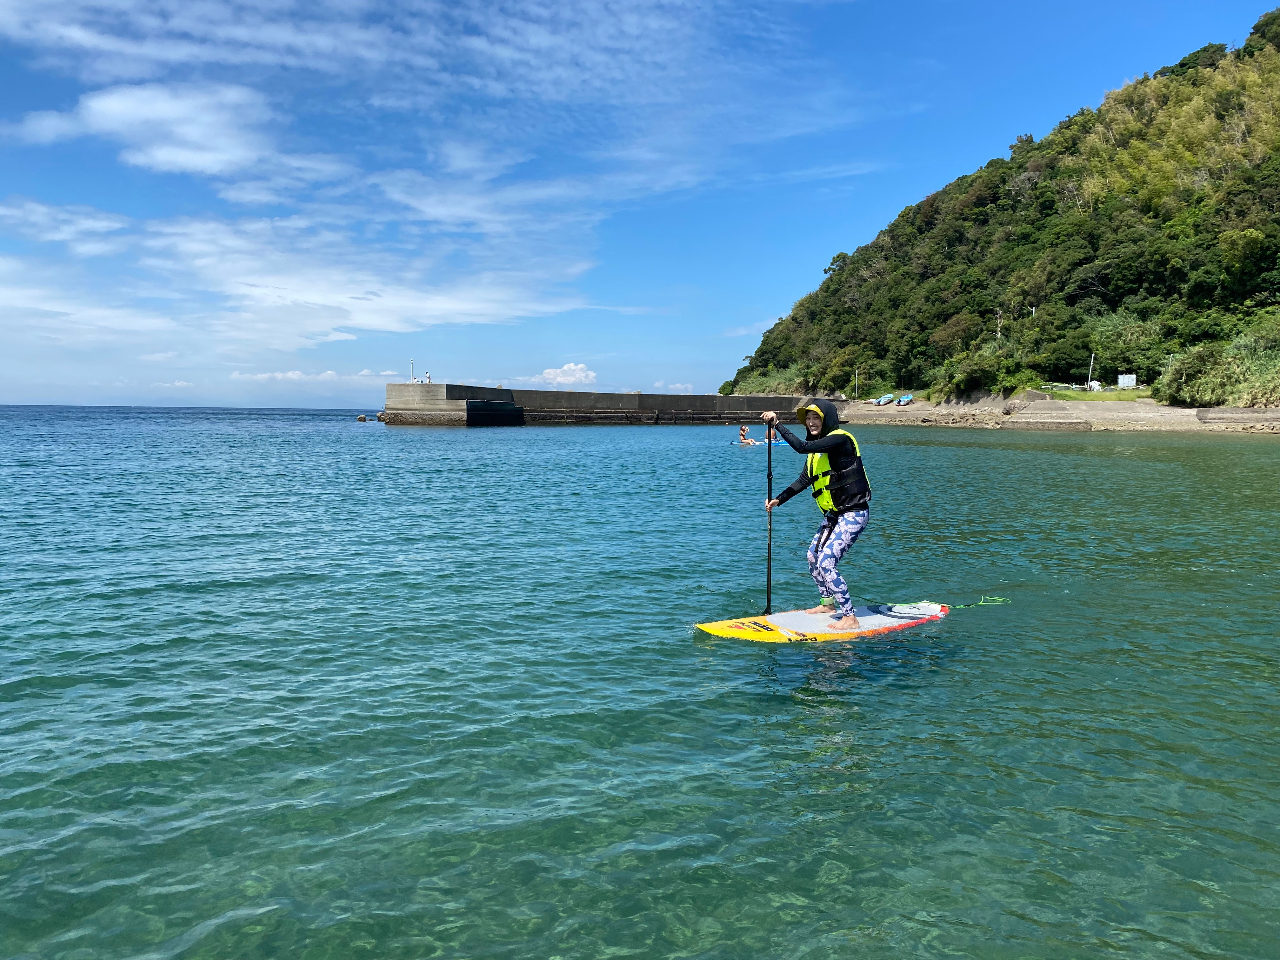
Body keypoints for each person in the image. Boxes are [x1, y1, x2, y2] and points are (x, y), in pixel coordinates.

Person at [761, 399, 872, 631]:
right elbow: (804, 480)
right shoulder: (816, 454)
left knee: (826, 561)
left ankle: (850, 617)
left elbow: (801, 446)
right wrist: (779, 499)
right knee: (812, 556)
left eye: (816, 418)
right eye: (808, 419)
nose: (811, 422)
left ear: (827, 419)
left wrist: (777, 424)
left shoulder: (841, 440)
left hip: (854, 512)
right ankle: (827, 604)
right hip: (834, 514)